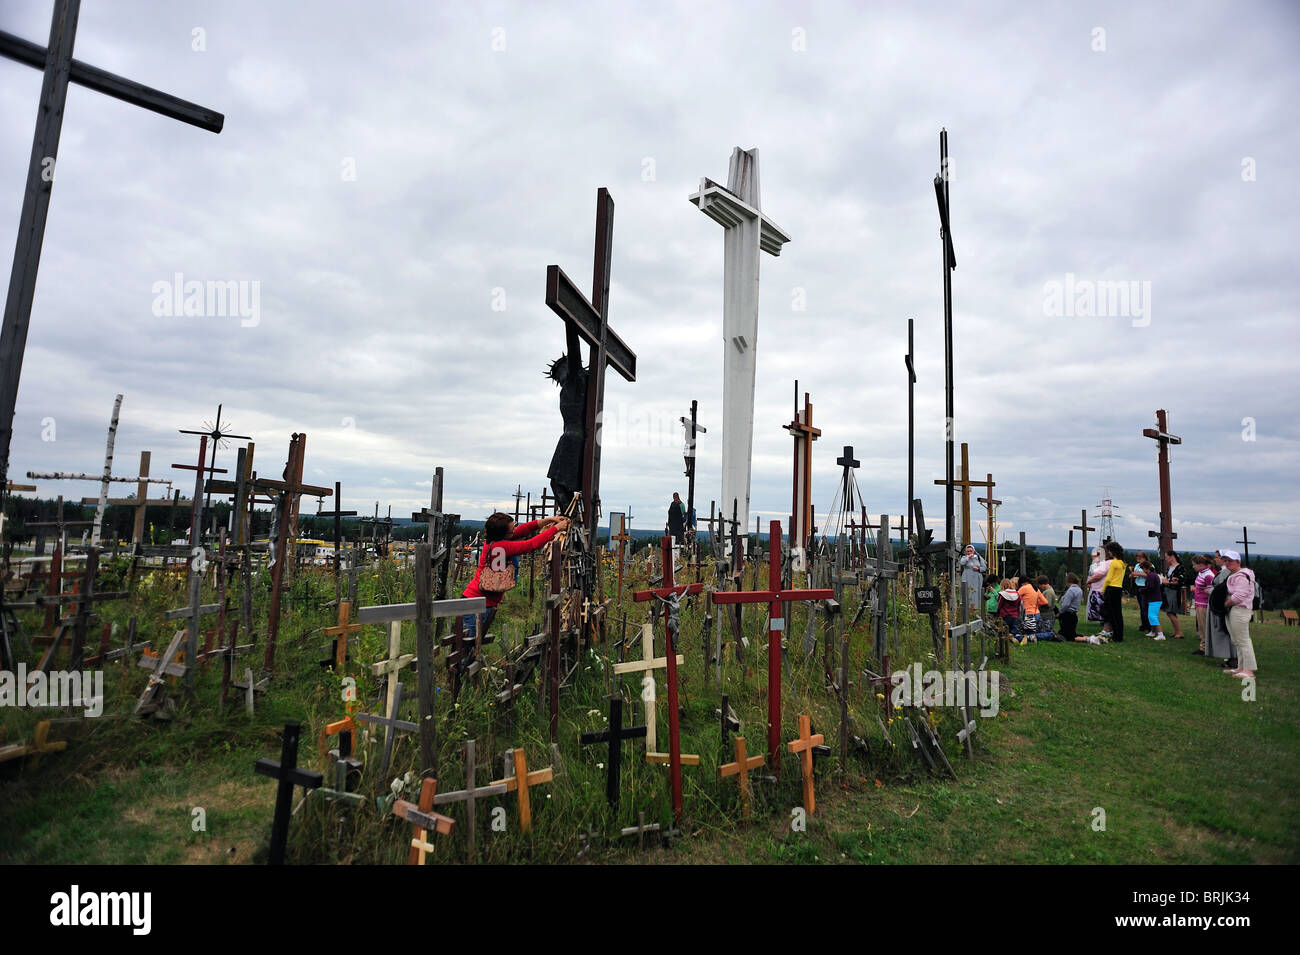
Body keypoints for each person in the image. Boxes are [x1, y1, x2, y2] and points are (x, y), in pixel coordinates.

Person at [463, 511, 569, 644]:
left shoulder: (495, 540)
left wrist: (550, 520)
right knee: (468, 646)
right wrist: (556, 528)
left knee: (472, 645)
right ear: (503, 534)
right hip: (477, 604)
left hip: (479, 601)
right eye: (512, 530)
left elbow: (525, 529)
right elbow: (531, 544)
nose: (515, 531)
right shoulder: (502, 546)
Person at [1221, 549, 1258, 679]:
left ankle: (1249, 671)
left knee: (1243, 640)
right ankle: (1240, 668)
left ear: (1238, 561)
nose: (1227, 563)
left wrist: (1225, 604)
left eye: (1230, 561)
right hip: (1234, 610)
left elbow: (1239, 596)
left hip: (1240, 610)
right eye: (1225, 561)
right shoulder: (1236, 575)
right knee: (1237, 640)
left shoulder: (1242, 576)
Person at [1205, 551, 1234, 663]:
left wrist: (1210, 590)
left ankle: (1231, 657)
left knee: (1224, 630)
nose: (1215, 560)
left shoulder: (1225, 572)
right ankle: (1230, 657)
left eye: (1217, 557)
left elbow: (1223, 589)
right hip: (1221, 604)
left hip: (1222, 605)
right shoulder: (1224, 571)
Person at [1102, 541, 1126, 641]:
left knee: (1110, 613)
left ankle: (1114, 635)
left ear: (1112, 552)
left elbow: (1108, 579)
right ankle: (1118, 635)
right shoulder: (1122, 563)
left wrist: (1103, 590)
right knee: (1118, 614)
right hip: (1118, 588)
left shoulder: (1114, 563)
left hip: (1111, 588)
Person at [1160, 551, 1187, 639]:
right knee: (1170, 612)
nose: (1166, 559)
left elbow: (1182, 580)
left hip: (1174, 591)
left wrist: (1170, 582)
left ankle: (1179, 632)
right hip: (1167, 590)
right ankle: (1176, 632)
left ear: (1172, 557)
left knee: (1170, 611)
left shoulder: (1180, 567)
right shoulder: (1170, 567)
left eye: (1167, 557)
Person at [1191, 555, 1214, 655]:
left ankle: (1205, 648)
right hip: (1199, 602)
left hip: (1204, 604)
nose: (1193, 567)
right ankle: (1203, 646)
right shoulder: (1201, 573)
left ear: (1200, 565)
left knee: (1203, 626)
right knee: (1201, 626)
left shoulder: (1208, 575)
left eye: (1194, 565)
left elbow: (1211, 590)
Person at [1141, 559, 1166, 639]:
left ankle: (1160, 634)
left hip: (1154, 599)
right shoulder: (1153, 575)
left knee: (1152, 616)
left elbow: (1150, 587)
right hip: (1155, 599)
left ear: (1145, 568)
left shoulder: (1151, 576)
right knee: (1152, 616)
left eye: (1143, 569)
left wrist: (1142, 590)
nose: (1143, 571)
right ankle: (1152, 632)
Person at [1017, 574, 1046, 642]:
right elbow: (1045, 601)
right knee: (1035, 635)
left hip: (1029, 614)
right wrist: (1034, 603)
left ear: (1022, 583)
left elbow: (1015, 597)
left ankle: (1050, 635)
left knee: (1029, 636)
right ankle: (1049, 635)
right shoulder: (1036, 588)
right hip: (1037, 614)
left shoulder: (1024, 587)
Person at [958, 545, 987, 611]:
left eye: (970, 551)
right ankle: (966, 607)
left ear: (973, 551)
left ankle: (975, 608)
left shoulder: (978, 558)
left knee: (975, 591)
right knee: (967, 590)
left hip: (976, 576)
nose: (969, 552)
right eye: (968, 551)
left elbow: (984, 568)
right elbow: (962, 563)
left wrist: (978, 568)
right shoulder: (964, 557)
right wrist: (967, 557)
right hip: (967, 576)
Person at [1130, 552, 1151, 634]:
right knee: (1141, 607)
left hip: (1145, 586)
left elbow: (1150, 575)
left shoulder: (1149, 565)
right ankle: (1143, 624)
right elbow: (1136, 574)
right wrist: (1132, 575)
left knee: (1145, 607)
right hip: (1138, 585)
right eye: (1137, 556)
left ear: (1145, 557)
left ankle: (1148, 626)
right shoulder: (1137, 565)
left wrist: (1136, 574)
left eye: (1140, 557)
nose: (1138, 558)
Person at [1084, 548, 1107, 623]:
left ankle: (1103, 619)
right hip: (1094, 585)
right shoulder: (1093, 565)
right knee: (1093, 602)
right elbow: (1090, 575)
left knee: (1102, 603)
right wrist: (1089, 582)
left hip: (1102, 585)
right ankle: (1094, 617)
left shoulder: (1105, 564)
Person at [1059, 573, 1082, 642]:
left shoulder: (1071, 590)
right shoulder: (1079, 590)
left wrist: (1060, 612)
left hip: (1067, 615)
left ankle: (1082, 639)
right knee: (1071, 633)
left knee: (1065, 636)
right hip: (1074, 615)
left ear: (1067, 581)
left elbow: (1066, 604)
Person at [1037, 575, 1059, 639]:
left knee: (1045, 632)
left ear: (1043, 584)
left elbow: (1047, 604)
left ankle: (1055, 636)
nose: (1039, 587)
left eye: (1040, 585)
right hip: (1046, 615)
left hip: (1047, 616)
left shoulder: (1048, 592)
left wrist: (1038, 602)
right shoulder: (1048, 590)